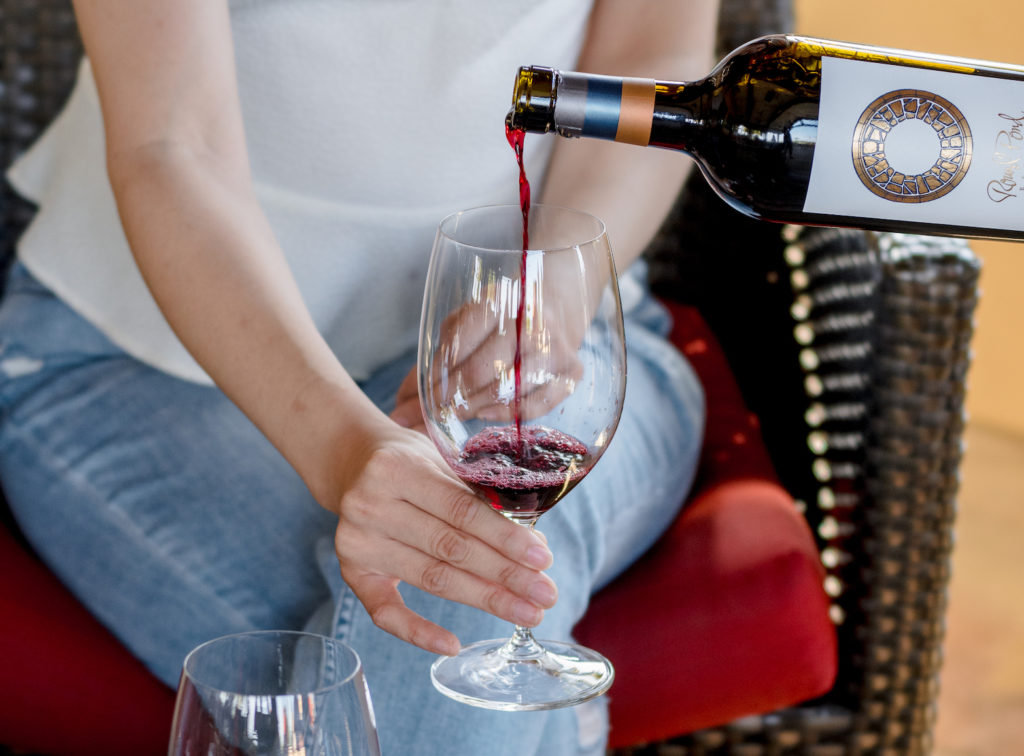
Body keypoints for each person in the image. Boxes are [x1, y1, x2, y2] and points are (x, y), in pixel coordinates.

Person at [0, 0, 718, 753]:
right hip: (138, 365)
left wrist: (555, 292)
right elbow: (170, 144)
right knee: (464, 592)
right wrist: (344, 450)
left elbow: (657, 59)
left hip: (558, 347)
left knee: (466, 553)